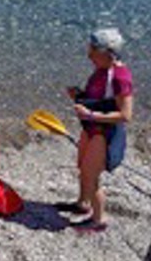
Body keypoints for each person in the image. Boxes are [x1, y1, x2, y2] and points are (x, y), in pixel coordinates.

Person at [56, 28, 134, 233]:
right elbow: (99, 100)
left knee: (91, 175)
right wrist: (79, 96)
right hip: (91, 128)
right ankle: (82, 204)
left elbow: (125, 115)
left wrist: (90, 115)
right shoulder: (101, 70)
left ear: (107, 53)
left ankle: (99, 220)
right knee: (82, 167)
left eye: (93, 50)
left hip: (104, 133)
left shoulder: (119, 78)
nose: (88, 54)